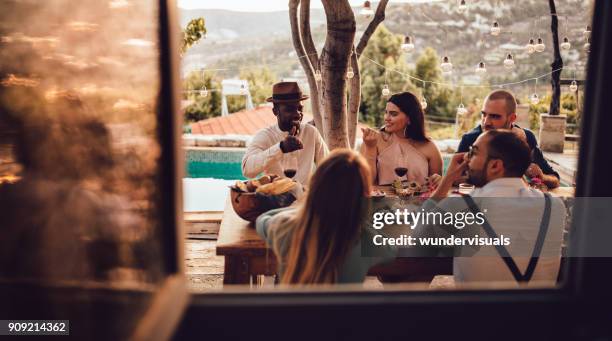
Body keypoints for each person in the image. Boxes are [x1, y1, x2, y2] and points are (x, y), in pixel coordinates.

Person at [405, 130, 565, 285]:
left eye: (473, 153)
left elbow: (416, 245)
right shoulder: (555, 207)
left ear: (495, 165)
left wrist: (448, 178)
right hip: (541, 311)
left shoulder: (458, 206)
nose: (466, 159)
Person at [255, 149, 395, 284]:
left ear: (315, 186)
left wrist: (303, 210)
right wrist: (363, 218)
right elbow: (391, 249)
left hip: (292, 309)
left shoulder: (285, 227)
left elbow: (263, 218)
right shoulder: (365, 240)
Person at [457, 89, 560, 189]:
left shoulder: (526, 138)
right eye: (484, 114)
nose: (486, 122)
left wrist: (542, 177)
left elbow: (555, 179)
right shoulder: (470, 139)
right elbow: (454, 178)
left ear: (512, 118)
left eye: (495, 116)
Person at [242, 81, 329, 185]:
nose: (297, 114)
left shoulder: (311, 133)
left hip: (305, 199)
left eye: (300, 108)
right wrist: (281, 148)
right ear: (275, 111)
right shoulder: (265, 136)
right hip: (275, 199)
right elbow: (247, 170)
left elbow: (330, 167)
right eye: (290, 109)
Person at [360, 91, 442, 187]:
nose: (386, 118)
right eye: (386, 113)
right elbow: (365, 183)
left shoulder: (430, 147)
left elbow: (436, 191)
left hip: (418, 201)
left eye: (393, 114)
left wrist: (438, 180)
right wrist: (370, 148)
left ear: (410, 118)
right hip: (382, 201)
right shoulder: (373, 141)